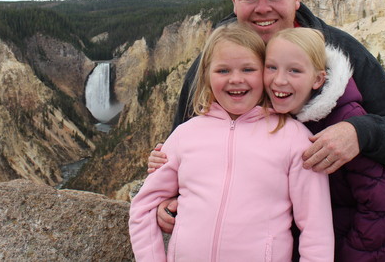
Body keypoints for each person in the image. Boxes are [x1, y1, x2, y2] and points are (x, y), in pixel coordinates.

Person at [149, 0, 385, 234]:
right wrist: (167, 197)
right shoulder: (215, 61)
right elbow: (182, 142)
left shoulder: (338, 52)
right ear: (234, 0)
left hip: (330, 236)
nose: (262, 8)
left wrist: (357, 132)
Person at [129, 23, 334, 262]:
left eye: (248, 69)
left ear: (265, 73)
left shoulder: (294, 138)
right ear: (207, 75)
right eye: (223, 71)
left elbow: (316, 228)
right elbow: (143, 206)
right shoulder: (185, 135)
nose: (236, 79)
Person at [265, 27, 385, 261]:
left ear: (317, 79)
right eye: (271, 67)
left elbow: (380, 206)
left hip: (363, 250)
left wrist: (348, 256)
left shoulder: (345, 121)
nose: (279, 80)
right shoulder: (276, 117)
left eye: (294, 70)